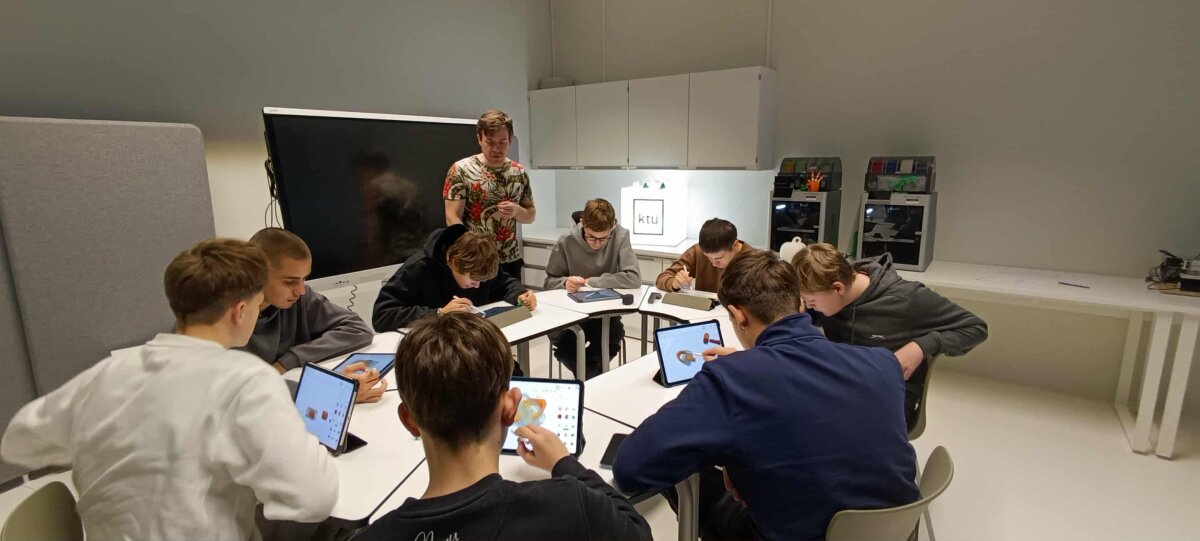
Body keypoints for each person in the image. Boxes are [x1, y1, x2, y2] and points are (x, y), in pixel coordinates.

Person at [0, 239, 337, 540]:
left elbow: (18, 444)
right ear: (240, 311)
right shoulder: (247, 381)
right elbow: (315, 499)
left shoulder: (106, 374)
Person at [614, 250, 920, 541]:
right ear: (801, 305)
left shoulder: (730, 380)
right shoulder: (883, 363)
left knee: (688, 462)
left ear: (738, 316)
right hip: (892, 531)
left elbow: (631, 468)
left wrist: (728, 456)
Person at [354, 312, 652, 541]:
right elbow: (638, 532)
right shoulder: (570, 505)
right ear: (511, 408)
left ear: (409, 420)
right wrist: (564, 463)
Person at [791, 242, 989, 429]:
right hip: (844, 384)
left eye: (811, 301)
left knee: (811, 426)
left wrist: (921, 346)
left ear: (838, 288)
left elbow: (975, 328)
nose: (809, 306)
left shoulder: (907, 299)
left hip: (887, 398)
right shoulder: (827, 296)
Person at [243, 227, 386, 403]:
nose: (300, 291)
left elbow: (358, 329)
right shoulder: (230, 321)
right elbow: (246, 392)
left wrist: (288, 361)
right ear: (257, 274)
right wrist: (335, 392)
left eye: (304, 279)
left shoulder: (298, 300)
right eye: (289, 282)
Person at [372, 224, 537, 332]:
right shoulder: (418, 268)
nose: (477, 286)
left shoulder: (479, 262)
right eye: (473, 279)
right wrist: (439, 314)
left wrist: (520, 294)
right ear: (454, 262)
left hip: (474, 338)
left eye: (482, 281)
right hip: (434, 347)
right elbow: (382, 315)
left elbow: (505, 283)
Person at [544, 198, 640, 379]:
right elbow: (549, 282)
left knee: (612, 338)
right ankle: (593, 379)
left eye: (603, 238)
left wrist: (593, 282)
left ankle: (587, 379)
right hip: (570, 313)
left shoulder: (620, 236)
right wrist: (565, 283)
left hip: (604, 314)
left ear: (612, 228)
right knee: (564, 346)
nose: (597, 243)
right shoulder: (566, 240)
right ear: (582, 223)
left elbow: (633, 278)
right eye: (591, 237)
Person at [443, 109, 535, 282]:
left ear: (510, 140)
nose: (496, 149)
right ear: (479, 139)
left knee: (514, 300)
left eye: (502, 142)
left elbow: (530, 216)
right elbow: (452, 216)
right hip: (475, 262)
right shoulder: (461, 170)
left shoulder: (518, 172)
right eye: (490, 142)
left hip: (509, 260)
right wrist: (471, 252)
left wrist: (516, 211)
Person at [655, 218, 753, 293]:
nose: (714, 263)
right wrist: (674, 284)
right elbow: (662, 278)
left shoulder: (755, 261)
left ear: (735, 245)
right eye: (708, 257)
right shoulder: (697, 251)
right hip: (705, 311)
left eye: (719, 258)